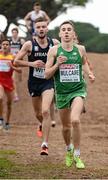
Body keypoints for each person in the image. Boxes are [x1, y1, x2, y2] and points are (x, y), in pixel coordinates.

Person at [45, 20, 95, 169]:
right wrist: (57, 64)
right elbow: (47, 75)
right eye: (63, 30)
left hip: (78, 90)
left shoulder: (80, 49)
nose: (66, 32)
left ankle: (77, 155)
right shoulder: (53, 51)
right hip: (61, 93)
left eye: (69, 30)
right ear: (60, 34)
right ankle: (69, 149)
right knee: (66, 127)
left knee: (75, 120)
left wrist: (90, 74)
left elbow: (84, 62)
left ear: (73, 34)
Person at [14, 17, 59, 155]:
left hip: (48, 81)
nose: (41, 29)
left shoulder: (54, 43)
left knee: (45, 111)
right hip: (34, 83)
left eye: (43, 27)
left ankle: (44, 144)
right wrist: (31, 64)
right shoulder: (29, 44)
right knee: (38, 114)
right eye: (38, 27)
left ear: (47, 28)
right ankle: (41, 124)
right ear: (35, 29)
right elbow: (16, 61)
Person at [0, 39, 21, 130]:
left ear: (9, 46)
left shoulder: (13, 57)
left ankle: (7, 122)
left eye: (7, 44)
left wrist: (12, 66)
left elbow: (19, 70)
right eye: (3, 44)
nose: (5, 46)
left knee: (9, 103)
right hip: (0, 81)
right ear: (1, 46)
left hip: (9, 81)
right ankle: (1, 118)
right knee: (0, 98)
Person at [9, 27, 25, 102]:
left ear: (17, 33)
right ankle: (15, 95)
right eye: (13, 32)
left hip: (18, 59)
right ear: (12, 33)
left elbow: (24, 50)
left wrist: (20, 55)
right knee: (13, 77)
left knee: (19, 74)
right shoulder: (9, 41)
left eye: (15, 32)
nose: (14, 34)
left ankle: (20, 78)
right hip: (12, 60)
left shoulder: (21, 40)